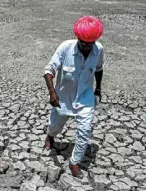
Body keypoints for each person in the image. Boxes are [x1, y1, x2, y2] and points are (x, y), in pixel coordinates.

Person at [43, 16, 104, 178]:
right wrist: (52, 92)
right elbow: (48, 71)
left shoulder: (99, 50)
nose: (86, 47)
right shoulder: (65, 48)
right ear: (78, 38)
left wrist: (98, 89)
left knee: (85, 131)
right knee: (56, 125)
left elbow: (98, 69)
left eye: (90, 44)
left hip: (85, 98)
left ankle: (74, 162)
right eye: (83, 43)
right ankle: (50, 136)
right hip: (63, 97)